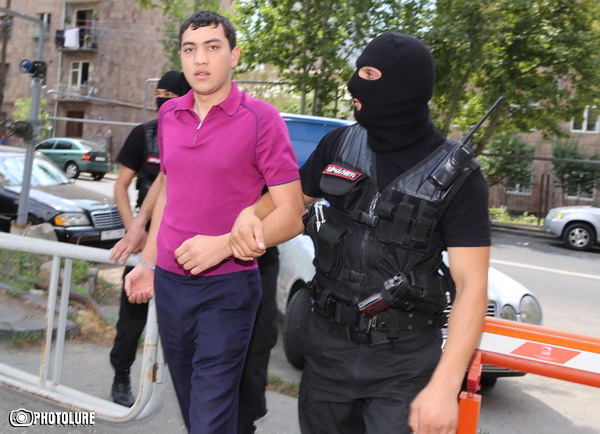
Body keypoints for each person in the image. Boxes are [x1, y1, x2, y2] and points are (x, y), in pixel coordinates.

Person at [229, 32, 491, 433]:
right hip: (327, 351)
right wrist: (249, 215)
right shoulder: (338, 143)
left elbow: (472, 287)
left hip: (404, 363)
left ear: (403, 87)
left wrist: (444, 385)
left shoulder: (460, 178)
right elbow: (287, 205)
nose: (353, 85)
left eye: (367, 74)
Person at [122, 10, 305, 434]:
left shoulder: (261, 118)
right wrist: (148, 261)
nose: (200, 59)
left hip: (228, 287)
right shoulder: (169, 115)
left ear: (234, 55)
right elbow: (170, 191)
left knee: (210, 417)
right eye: (190, 49)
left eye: (212, 47)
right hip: (171, 285)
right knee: (194, 411)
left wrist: (223, 245)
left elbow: (292, 214)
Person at [109, 70, 190, 407]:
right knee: (132, 316)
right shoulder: (144, 134)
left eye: (170, 95)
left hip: (182, 240)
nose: (162, 100)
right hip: (144, 240)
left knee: (183, 319)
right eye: (159, 94)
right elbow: (121, 186)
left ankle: (181, 382)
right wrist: (135, 229)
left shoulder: (193, 134)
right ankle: (121, 375)